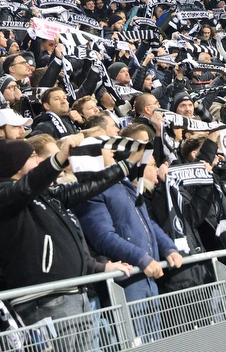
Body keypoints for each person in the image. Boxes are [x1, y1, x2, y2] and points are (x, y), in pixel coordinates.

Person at [0, 135, 134, 349]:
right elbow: (25, 187)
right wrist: (60, 157)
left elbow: (88, 186)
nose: (38, 161)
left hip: (73, 293)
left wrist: (127, 165)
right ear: (15, 164)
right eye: (32, 156)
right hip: (44, 300)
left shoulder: (44, 195)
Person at [75, 123, 183, 343]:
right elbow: (103, 237)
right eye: (105, 145)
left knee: (155, 342)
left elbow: (148, 223)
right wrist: (140, 258)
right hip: (126, 280)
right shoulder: (90, 190)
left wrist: (167, 247)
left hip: (146, 275)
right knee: (133, 343)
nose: (113, 149)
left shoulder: (122, 183)